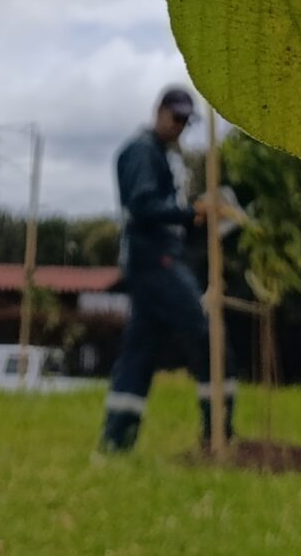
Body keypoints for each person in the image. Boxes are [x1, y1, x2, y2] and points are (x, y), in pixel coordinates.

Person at [99, 85, 231, 453]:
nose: (180, 128)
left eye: (186, 122)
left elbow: (161, 211)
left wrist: (193, 220)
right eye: (176, 118)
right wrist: (192, 211)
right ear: (158, 112)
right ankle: (218, 432)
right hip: (155, 261)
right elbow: (143, 207)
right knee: (206, 335)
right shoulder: (142, 152)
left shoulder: (158, 154)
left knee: (140, 351)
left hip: (153, 260)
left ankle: (116, 440)